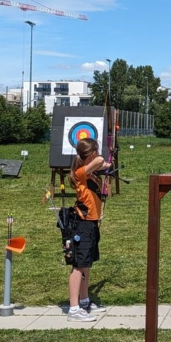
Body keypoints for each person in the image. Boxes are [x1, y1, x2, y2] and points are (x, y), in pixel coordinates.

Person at [67, 138, 110, 322]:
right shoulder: (80, 173)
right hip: (82, 223)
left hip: (91, 222)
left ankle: (84, 302)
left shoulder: (89, 172)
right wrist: (101, 161)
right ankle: (73, 309)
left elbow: (100, 163)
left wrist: (105, 164)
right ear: (92, 153)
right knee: (78, 265)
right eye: (96, 150)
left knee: (86, 263)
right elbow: (100, 161)